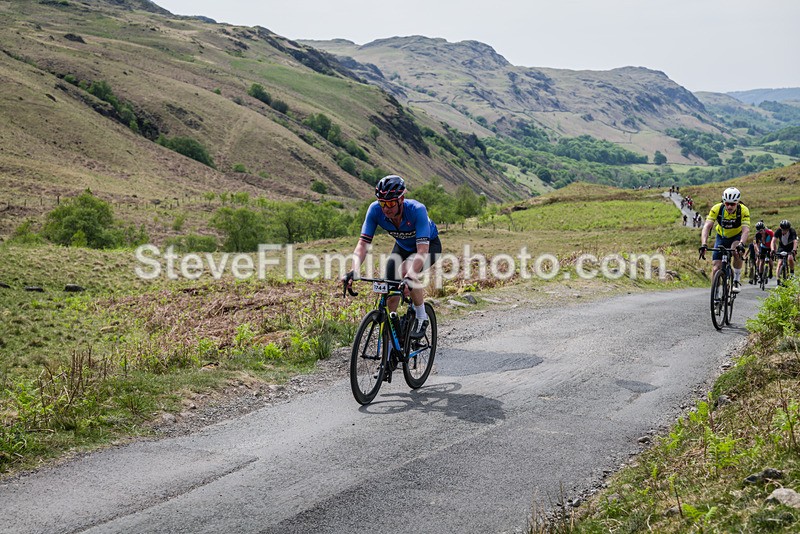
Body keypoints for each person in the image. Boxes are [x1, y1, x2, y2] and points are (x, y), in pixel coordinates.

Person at [343, 175, 442, 339]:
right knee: (390, 294)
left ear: (401, 199)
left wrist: (410, 276)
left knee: (405, 271)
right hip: (402, 247)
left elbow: (422, 250)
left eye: (390, 203)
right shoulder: (375, 210)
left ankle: (421, 316)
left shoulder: (417, 210)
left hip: (429, 246)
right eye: (382, 203)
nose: (386, 208)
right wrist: (353, 270)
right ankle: (392, 343)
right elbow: (363, 244)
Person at [699, 187, 750, 292]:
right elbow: (707, 227)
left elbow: (745, 230)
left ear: (737, 203)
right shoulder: (717, 208)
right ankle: (716, 293)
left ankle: (736, 280)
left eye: (733, 204)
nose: (729, 206)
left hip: (736, 236)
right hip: (721, 237)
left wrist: (741, 244)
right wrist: (704, 244)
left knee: (736, 252)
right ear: (723, 202)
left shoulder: (743, 210)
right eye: (727, 204)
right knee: (716, 268)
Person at [771, 219, 797, 283]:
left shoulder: (792, 231)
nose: (784, 231)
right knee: (780, 263)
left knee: (790, 258)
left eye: (786, 230)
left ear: (788, 229)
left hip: (790, 247)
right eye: (783, 230)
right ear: (780, 228)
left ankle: (792, 273)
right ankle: (778, 280)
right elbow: (773, 241)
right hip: (782, 247)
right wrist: (772, 249)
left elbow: (795, 242)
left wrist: (794, 250)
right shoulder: (778, 231)